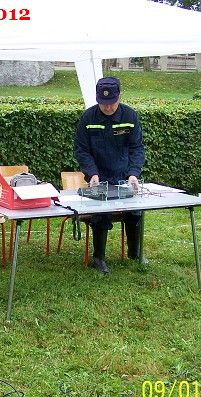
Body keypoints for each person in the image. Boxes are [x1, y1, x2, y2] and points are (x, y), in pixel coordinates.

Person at [74, 76, 145, 274]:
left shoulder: (130, 116)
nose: (107, 107)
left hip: (123, 176)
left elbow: (137, 148)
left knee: (135, 212)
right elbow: (81, 150)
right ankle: (99, 258)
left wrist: (133, 174)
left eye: (111, 103)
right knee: (101, 214)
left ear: (119, 97)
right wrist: (92, 173)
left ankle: (134, 253)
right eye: (103, 103)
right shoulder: (88, 118)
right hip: (99, 178)